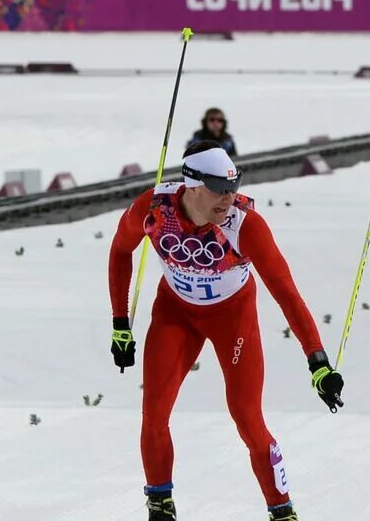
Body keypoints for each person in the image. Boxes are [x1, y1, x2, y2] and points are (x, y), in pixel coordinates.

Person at [107, 141, 344, 521]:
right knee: (153, 412)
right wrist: (121, 323)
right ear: (193, 186)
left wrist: (318, 362)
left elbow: (286, 294)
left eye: (234, 188)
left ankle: (282, 511)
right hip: (175, 313)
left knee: (247, 417)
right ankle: (160, 504)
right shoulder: (153, 208)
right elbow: (120, 250)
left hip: (232, 318)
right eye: (219, 189)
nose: (229, 199)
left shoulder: (245, 225)